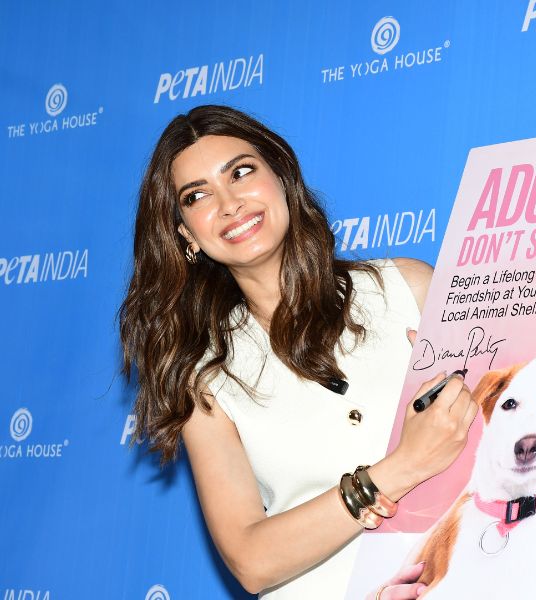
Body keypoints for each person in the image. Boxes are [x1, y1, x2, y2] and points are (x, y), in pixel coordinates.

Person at [119, 104, 478, 599]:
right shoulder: (206, 379)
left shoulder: (407, 289)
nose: (229, 204)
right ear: (186, 235)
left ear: (282, 177)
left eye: (241, 172)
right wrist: (400, 469)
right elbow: (250, 560)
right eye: (197, 196)